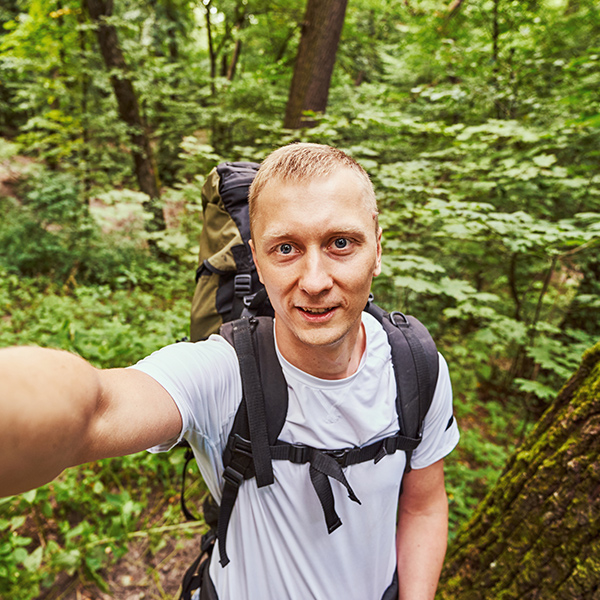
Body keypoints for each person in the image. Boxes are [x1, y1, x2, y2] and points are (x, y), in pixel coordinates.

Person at [0, 143, 459, 600]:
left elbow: (422, 507)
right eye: (286, 248)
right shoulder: (225, 375)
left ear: (377, 249)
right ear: (257, 261)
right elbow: (100, 409)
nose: (315, 280)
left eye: (341, 243)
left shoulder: (415, 367)